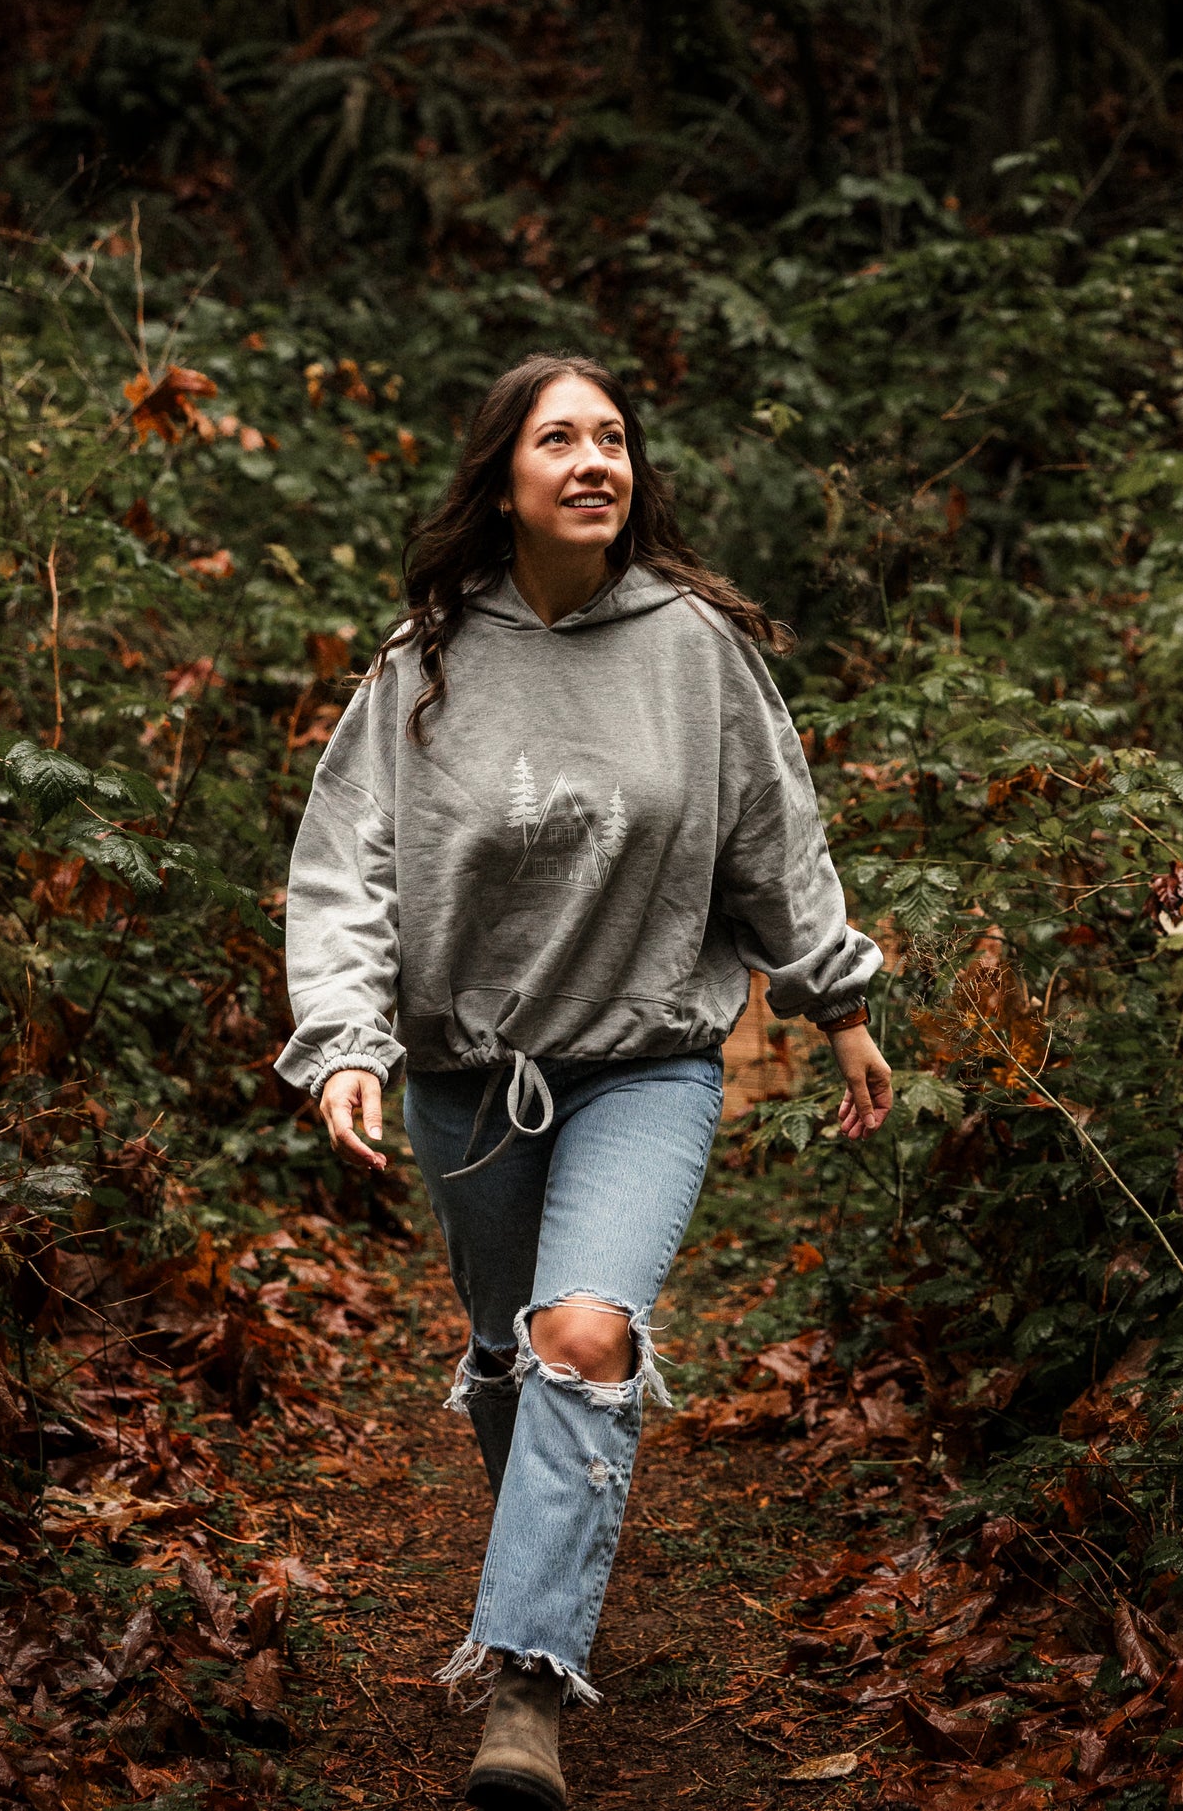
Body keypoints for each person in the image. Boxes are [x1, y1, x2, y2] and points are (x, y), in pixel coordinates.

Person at [276, 352, 892, 1809]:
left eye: (611, 437)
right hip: (469, 1079)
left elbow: (769, 836)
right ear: (504, 477)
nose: (592, 460)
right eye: (558, 439)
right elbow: (346, 872)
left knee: (582, 1333)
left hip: (645, 1063)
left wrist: (837, 1003)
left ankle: (525, 1689)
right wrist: (348, 1038)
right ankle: (547, 1546)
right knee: (505, 1360)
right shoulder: (423, 662)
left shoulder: (693, 647)